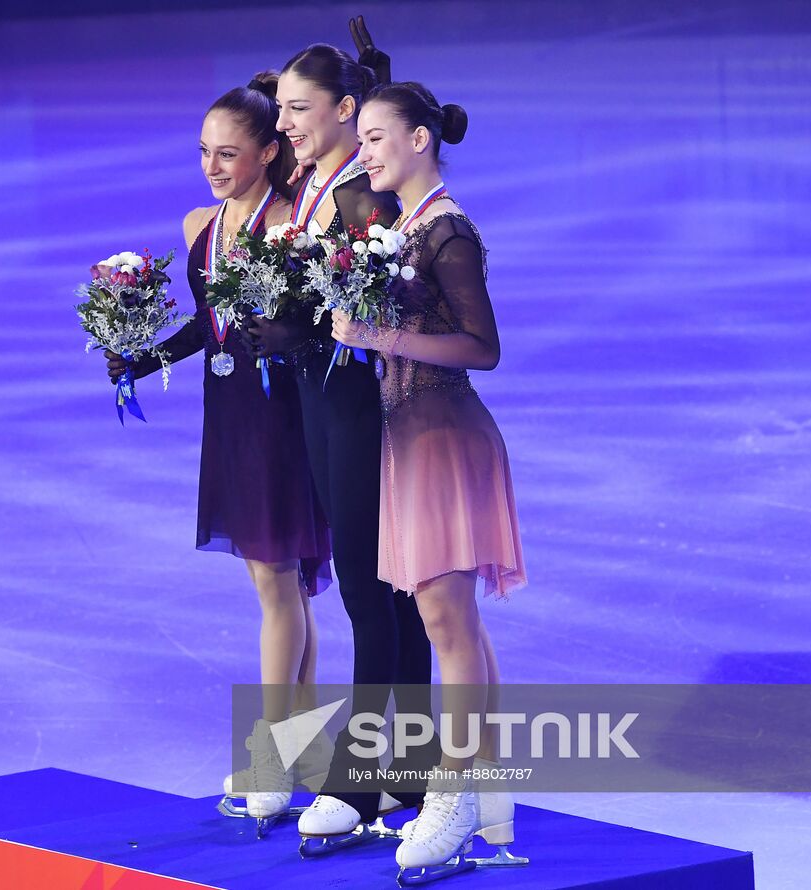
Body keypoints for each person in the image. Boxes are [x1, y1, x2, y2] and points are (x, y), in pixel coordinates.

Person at [104, 74, 332, 834]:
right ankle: (303, 750)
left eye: (229, 153)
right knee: (281, 587)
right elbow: (210, 327)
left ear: (269, 153)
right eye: (204, 151)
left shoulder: (292, 226)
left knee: (277, 583)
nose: (212, 165)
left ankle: (273, 754)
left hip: (284, 418)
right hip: (230, 416)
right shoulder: (201, 224)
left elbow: (306, 327)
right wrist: (139, 357)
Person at [243, 42, 437, 851]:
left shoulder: (365, 197)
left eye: (297, 109)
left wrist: (300, 322)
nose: (283, 123)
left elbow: (383, 295)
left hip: (361, 402)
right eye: (282, 109)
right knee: (381, 585)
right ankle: (414, 769)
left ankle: (359, 786)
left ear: (343, 111)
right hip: (321, 399)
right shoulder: (316, 184)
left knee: (372, 584)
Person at [332, 80, 528, 880]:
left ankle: (449, 796)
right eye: (364, 138)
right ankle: (485, 792)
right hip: (409, 438)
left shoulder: (447, 232)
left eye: (378, 137)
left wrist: (382, 334)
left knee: (447, 625)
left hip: (446, 436)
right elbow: (344, 196)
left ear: (420, 140)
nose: (365, 153)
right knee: (456, 626)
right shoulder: (398, 223)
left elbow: (484, 347)